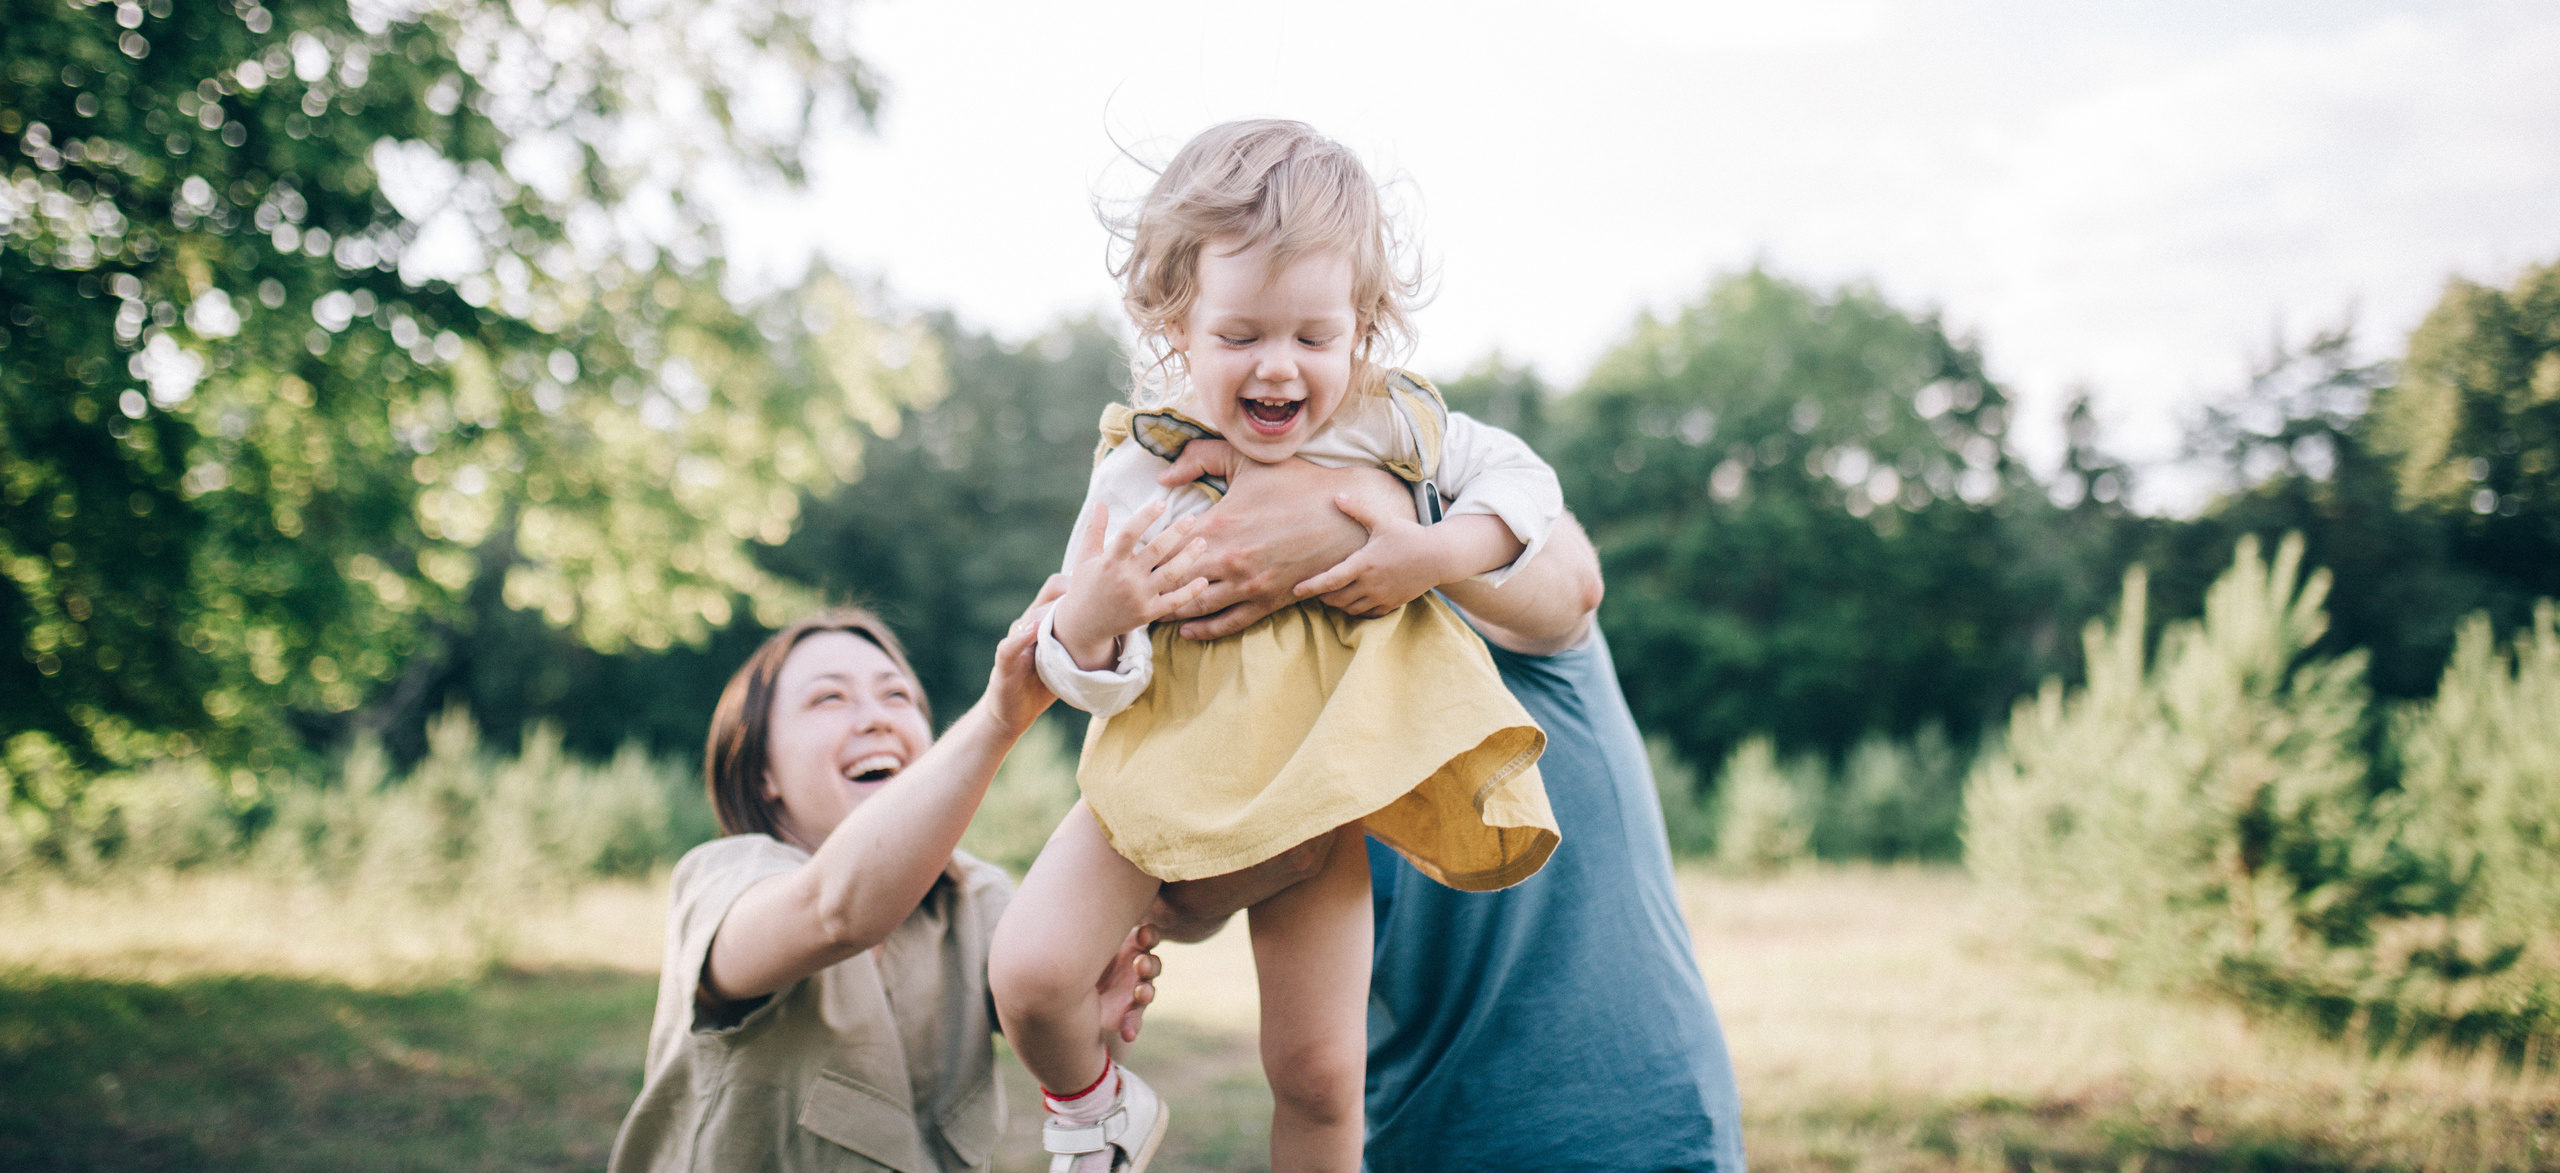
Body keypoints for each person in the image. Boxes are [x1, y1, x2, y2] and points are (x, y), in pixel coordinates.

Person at [990, 121, 1568, 1173]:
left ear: (1362, 328)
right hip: (1163, 764)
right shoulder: (1142, 467)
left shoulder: (1390, 426)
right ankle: (1094, 1114)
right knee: (1029, 973)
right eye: (1240, 333)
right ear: (1179, 324)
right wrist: (1097, 610)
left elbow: (1527, 486)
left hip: (1321, 780)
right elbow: (1073, 669)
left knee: (1317, 1069)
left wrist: (1431, 551)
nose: (1278, 366)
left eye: (1312, 335)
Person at [1158, 494, 1749, 1173]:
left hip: (1627, 1129)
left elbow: (1577, 584)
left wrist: (1344, 523)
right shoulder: (1290, 697)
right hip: (1426, 1137)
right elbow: (1190, 897)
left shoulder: (1485, 610)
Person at [608, 605, 1161, 1173]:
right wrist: (999, 717)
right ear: (761, 773)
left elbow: (1070, 1023)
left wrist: (1088, 1008)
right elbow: (834, 912)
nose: (877, 719)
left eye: (897, 696)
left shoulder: (977, 897)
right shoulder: (721, 878)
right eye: (830, 698)